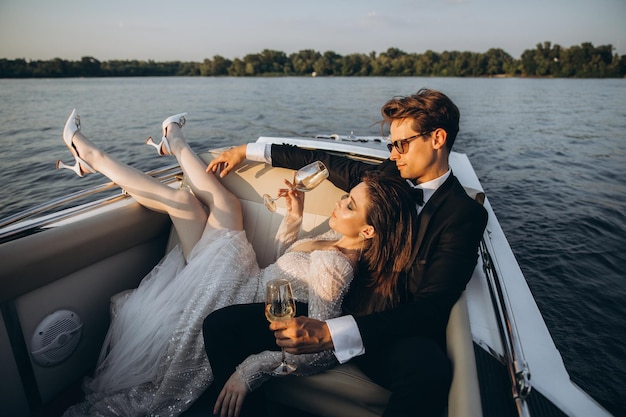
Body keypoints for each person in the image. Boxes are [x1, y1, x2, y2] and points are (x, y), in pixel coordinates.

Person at [56, 109, 420, 417]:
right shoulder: (332, 244)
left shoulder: (336, 268)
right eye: (346, 197)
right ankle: (156, 144)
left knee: (196, 205)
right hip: (242, 280)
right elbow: (284, 266)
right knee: (195, 204)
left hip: (231, 297)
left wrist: (251, 369)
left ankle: (112, 151)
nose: (340, 204)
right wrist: (295, 215)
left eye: (350, 205)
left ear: (370, 231)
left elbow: (319, 352)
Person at [204, 88, 489, 417]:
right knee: (220, 326)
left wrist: (331, 333)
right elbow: (324, 163)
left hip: (383, 330)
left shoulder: (463, 215)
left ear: (437, 138)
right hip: (327, 298)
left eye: (402, 144)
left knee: (428, 369)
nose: (394, 154)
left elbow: (432, 308)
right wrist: (246, 151)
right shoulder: (387, 175)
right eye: (392, 145)